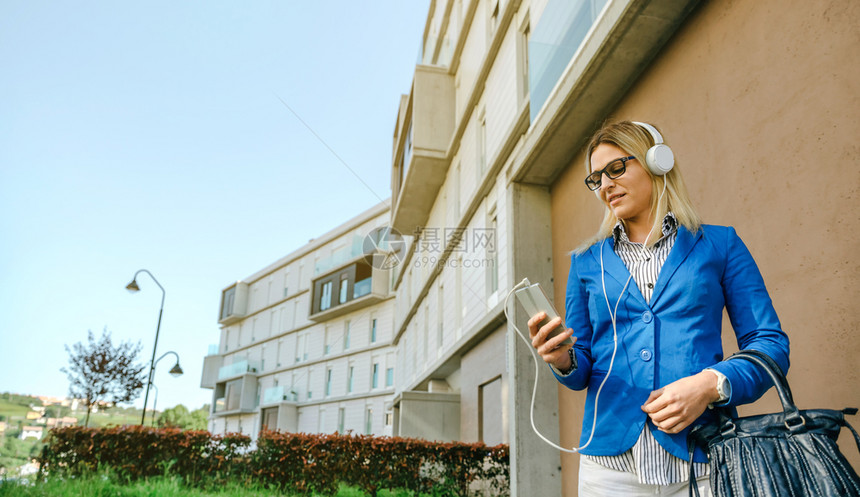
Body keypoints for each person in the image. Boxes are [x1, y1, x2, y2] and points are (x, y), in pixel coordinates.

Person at [527, 120, 790, 496]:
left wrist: (709, 385)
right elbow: (581, 364)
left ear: (658, 161)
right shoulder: (586, 262)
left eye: (616, 168)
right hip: (609, 472)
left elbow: (771, 345)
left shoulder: (720, 244)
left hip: (703, 460)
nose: (605, 185)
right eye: (596, 178)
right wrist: (563, 359)